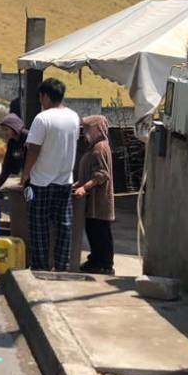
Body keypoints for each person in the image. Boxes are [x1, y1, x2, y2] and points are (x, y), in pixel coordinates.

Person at [22, 78, 80, 272]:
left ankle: (40, 268)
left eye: (41, 97)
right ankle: (61, 266)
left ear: (45, 96)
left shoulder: (42, 118)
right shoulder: (74, 117)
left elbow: (33, 150)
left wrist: (25, 175)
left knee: (39, 227)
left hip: (41, 181)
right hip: (65, 180)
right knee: (64, 224)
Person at [75, 115, 115, 275]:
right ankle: (95, 259)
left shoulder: (100, 148)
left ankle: (104, 263)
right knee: (93, 229)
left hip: (99, 200)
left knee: (100, 231)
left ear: (97, 129)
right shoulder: (93, 147)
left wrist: (85, 187)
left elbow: (102, 174)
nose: (85, 132)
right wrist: (79, 184)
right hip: (91, 199)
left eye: (87, 129)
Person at [0, 113, 28, 197]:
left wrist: (24, 182)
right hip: (26, 178)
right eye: (3, 130)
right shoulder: (12, 143)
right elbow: (6, 168)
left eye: (6, 129)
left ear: (14, 128)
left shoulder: (27, 137)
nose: (4, 133)